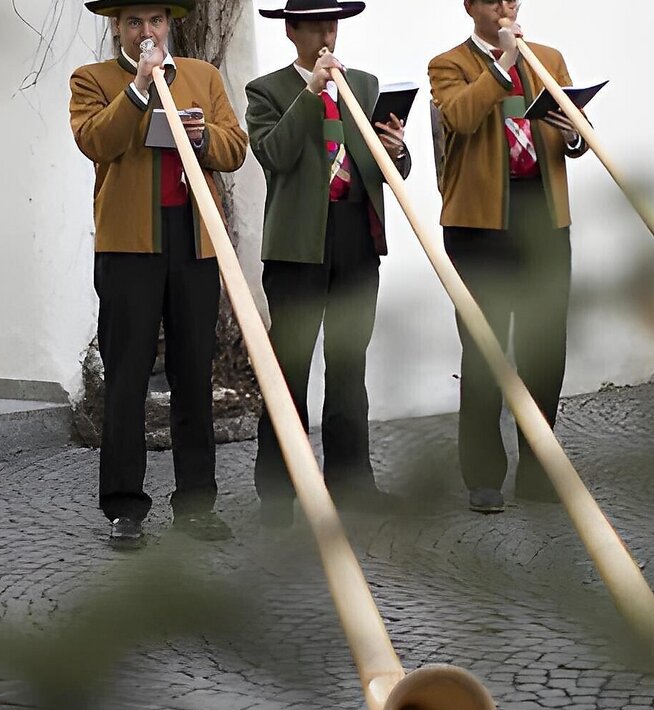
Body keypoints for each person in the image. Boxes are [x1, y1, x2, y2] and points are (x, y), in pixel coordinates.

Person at [70, 0, 248, 543]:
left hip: (193, 240)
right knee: (127, 376)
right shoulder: (92, 79)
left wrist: (200, 136)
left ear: (168, 25)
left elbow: (235, 148)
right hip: (129, 245)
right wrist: (139, 88)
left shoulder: (203, 76)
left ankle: (196, 504)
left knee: (193, 374)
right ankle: (125, 508)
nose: (145, 32)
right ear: (117, 27)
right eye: (134, 22)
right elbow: (95, 141)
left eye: (155, 21)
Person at [246, 0, 411, 528]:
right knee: (289, 369)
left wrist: (396, 151)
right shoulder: (267, 91)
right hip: (297, 247)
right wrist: (312, 91)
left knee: (348, 364)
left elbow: (386, 169)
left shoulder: (364, 84)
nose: (326, 35)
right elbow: (273, 155)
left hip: (356, 236)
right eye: (315, 25)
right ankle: (279, 493)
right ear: (291, 31)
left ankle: (352, 482)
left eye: (332, 24)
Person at [428, 0, 588, 513]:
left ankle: (540, 471)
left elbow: (576, 132)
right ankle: (482, 475)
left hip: (543, 216)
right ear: (469, 6)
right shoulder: (448, 64)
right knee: (485, 350)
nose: (505, 6)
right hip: (478, 225)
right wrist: (504, 62)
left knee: (545, 347)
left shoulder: (549, 57)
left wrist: (573, 133)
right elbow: (461, 117)